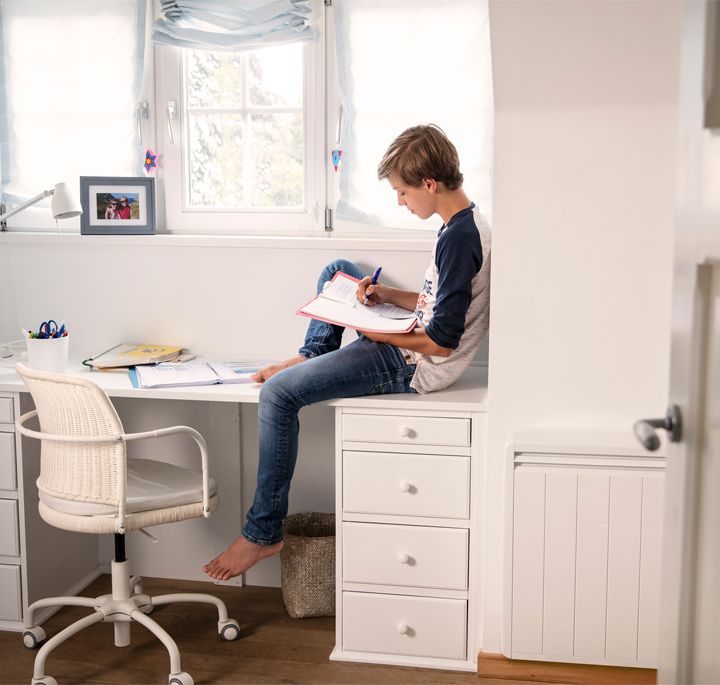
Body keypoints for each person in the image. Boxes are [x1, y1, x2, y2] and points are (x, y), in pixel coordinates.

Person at [203, 124, 492, 581]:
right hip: (406, 339)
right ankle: (312, 355)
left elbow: (441, 341)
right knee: (338, 271)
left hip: (416, 365)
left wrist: (376, 336)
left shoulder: (459, 238)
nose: (400, 200)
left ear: (429, 184)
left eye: (401, 191)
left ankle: (263, 533)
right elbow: (437, 303)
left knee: (277, 396)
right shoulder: (462, 223)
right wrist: (383, 297)